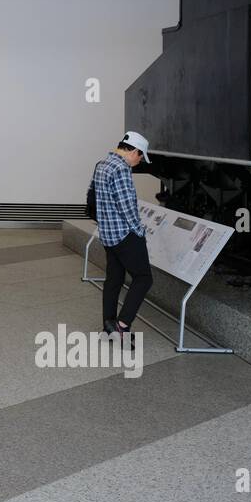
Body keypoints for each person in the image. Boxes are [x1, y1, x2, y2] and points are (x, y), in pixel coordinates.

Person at [90, 130, 154, 344]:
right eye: (140, 156)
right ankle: (122, 325)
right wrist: (139, 230)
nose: (139, 161)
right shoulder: (121, 168)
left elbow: (95, 199)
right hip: (125, 235)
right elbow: (126, 206)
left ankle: (109, 328)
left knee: (114, 280)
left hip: (107, 234)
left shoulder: (103, 164)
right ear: (134, 151)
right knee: (144, 278)